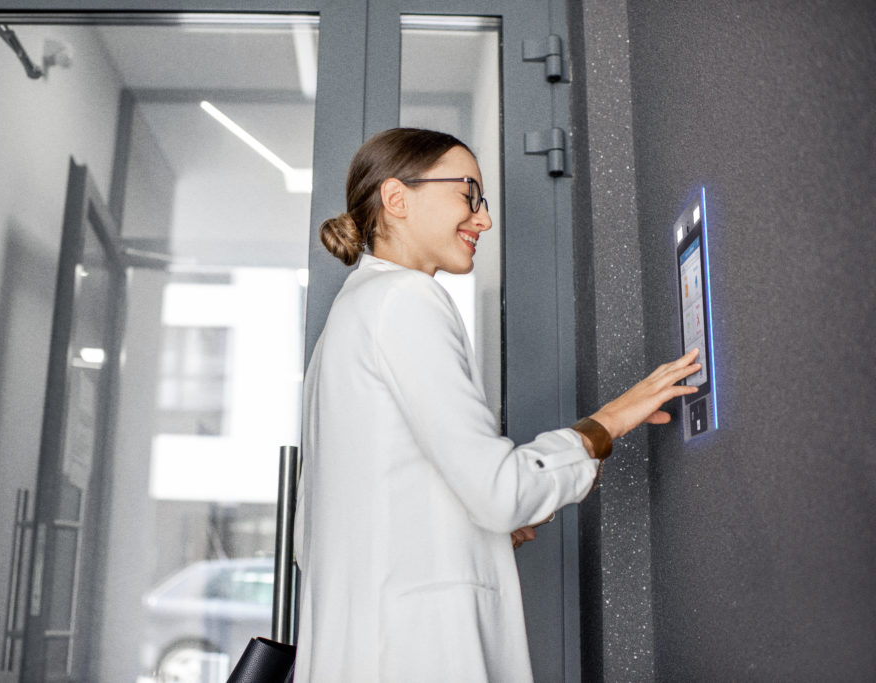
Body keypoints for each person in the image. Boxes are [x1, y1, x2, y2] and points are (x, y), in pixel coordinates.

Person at [292, 128, 699, 682]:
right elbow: (499, 492)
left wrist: (469, 529)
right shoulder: (405, 300)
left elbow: (362, 516)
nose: (483, 220)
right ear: (396, 199)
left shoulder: (354, 313)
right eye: (469, 195)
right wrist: (604, 425)